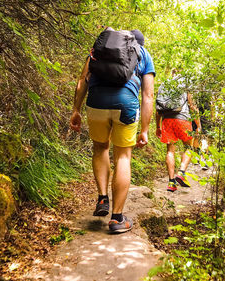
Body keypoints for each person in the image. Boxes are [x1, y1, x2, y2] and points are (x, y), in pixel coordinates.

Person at [70, 29, 155, 233]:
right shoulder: (143, 53)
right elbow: (148, 96)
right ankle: (117, 219)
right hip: (126, 105)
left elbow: (83, 81)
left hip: (96, 101)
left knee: (100, 148)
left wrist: (76, 110)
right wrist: (145, 129)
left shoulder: (100, 49)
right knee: (123, 157)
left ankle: (102, 199)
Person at [156, 70, 200, 192]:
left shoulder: (164, 86)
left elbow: (158, 109)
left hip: (167, 121)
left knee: (170, 150)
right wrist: (198, 125)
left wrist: (158, 126)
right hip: (183, 120)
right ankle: (181, 172)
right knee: (189, 147)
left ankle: (171, 183)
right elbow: (192, 106)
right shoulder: (185, 86)